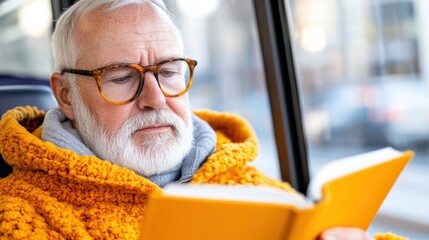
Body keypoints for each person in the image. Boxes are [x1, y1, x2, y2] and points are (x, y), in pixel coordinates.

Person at [0, 0, 405, 239]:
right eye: (122, 77)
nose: (155, 98)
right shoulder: (18, 216)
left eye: (170, 70)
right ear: (66, 94)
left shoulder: (242, 181)